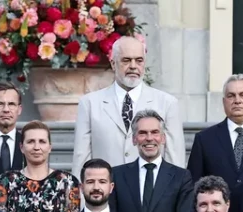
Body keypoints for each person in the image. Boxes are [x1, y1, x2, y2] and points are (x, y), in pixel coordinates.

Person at [73, 36, 185, 169]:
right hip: (105, 187)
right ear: (113, 64)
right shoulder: (90, 104)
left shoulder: (167, 103)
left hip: (150, 187)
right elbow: (81, 158)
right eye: (126, 60)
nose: (133, 66)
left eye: (139, 61)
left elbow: (174, 158)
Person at [110, 110, 196, 212]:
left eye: (155, 132)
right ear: (134, 139)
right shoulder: (117, 175)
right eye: (143, 133)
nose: (149, 138)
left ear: (163, 138)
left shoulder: (181, 177)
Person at [0, 120, 81, 212]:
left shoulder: (68, 182)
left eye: (42, 142)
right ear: (21, 147)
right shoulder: (5, 182)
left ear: (50, 147)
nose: (36, 147)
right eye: (31, 141)